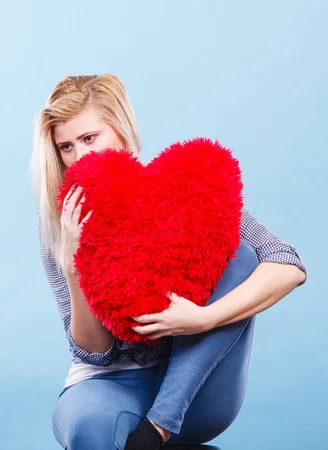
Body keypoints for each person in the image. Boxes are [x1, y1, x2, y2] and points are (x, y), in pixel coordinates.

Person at [29, 74, 307, 450]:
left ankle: (159, 426)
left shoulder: (180, 194)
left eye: (89, 138)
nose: (79, 157)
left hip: (192, 383)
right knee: (89, 427)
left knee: (240, 256)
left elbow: (287, 264)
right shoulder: (63, 219)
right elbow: (92, 351)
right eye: (66, 146)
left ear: (121, 129)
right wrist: (73, 266)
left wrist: (202, 319)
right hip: (110, 386)